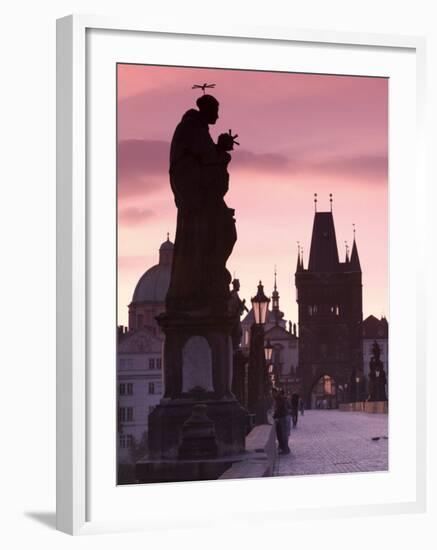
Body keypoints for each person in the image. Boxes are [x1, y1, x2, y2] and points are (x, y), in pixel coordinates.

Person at [166, 94, 239, 316]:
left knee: (225, 233)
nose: (218, 115)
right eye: (216, 110)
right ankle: (206, 280)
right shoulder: (192, 128)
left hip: (201, 198)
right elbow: (207, 159)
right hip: (196, 200)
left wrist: (219, 150)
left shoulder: (198, 129)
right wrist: (222, 149)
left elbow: (208, 160)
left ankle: (211, 276)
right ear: (206, 109)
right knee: (222, 233)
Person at [272, 388, 290, 454]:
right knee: (281, 433)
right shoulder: (279, 398)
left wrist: (275, 416)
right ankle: (284, 448)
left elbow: (279, 408)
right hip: (282, 417)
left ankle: (285, 449)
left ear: (276, 393)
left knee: (283, 434)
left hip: (283, 417)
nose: (272, 395)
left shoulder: (280, 398)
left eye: (273, 393)